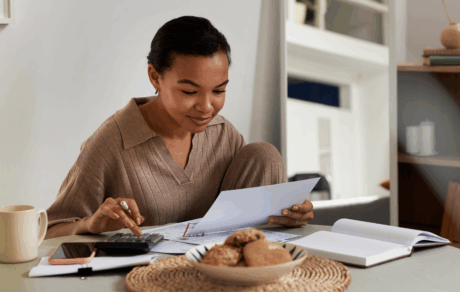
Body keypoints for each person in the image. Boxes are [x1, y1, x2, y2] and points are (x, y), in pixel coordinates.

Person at [45, 16, 313, 240]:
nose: (206, 107)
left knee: (264, 154)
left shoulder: (222, 134)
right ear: (155, 77)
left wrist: (289, 214)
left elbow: (254, 207)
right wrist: (88, 224)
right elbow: (50, 230)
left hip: (219, 271)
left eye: (219, 90)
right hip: (144, 278)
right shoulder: (111, 143)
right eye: (189, 91)